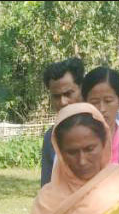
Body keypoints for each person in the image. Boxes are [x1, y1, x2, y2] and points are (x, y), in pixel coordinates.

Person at [40, 58, 86, 187]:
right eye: (56, 96)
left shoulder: (106, 126)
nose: (62, 102)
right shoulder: (51, 137)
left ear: (82, 89)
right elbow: (47, 187)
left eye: (68, 94)